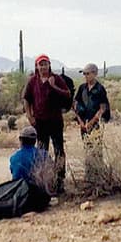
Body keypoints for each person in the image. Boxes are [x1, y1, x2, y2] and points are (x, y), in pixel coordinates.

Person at [23, 55, 71, 191]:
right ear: (37, 66)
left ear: (49, 65)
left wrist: (53, 86)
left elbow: (67, 94)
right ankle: (42, 180)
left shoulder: (56, 78)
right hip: (40, 121)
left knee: (59, 150)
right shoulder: (33, 81)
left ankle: (60, 181)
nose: (43, 67)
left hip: (55, 120)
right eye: (41, 64)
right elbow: (26, 99)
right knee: (42, 151)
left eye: (45, 64)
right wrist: (29, 116)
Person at [74, 64, 111, 137]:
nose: (85, 76)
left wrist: (91, 122)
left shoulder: (100, 89)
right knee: (86, 145)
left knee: (96, 146)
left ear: (95, 74)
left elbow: (102, 108)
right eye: (84, 73)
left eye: (87, 73)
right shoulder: (82, 88)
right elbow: (75, 104)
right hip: (84, 123)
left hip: (96, 125)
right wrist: (80, 121)